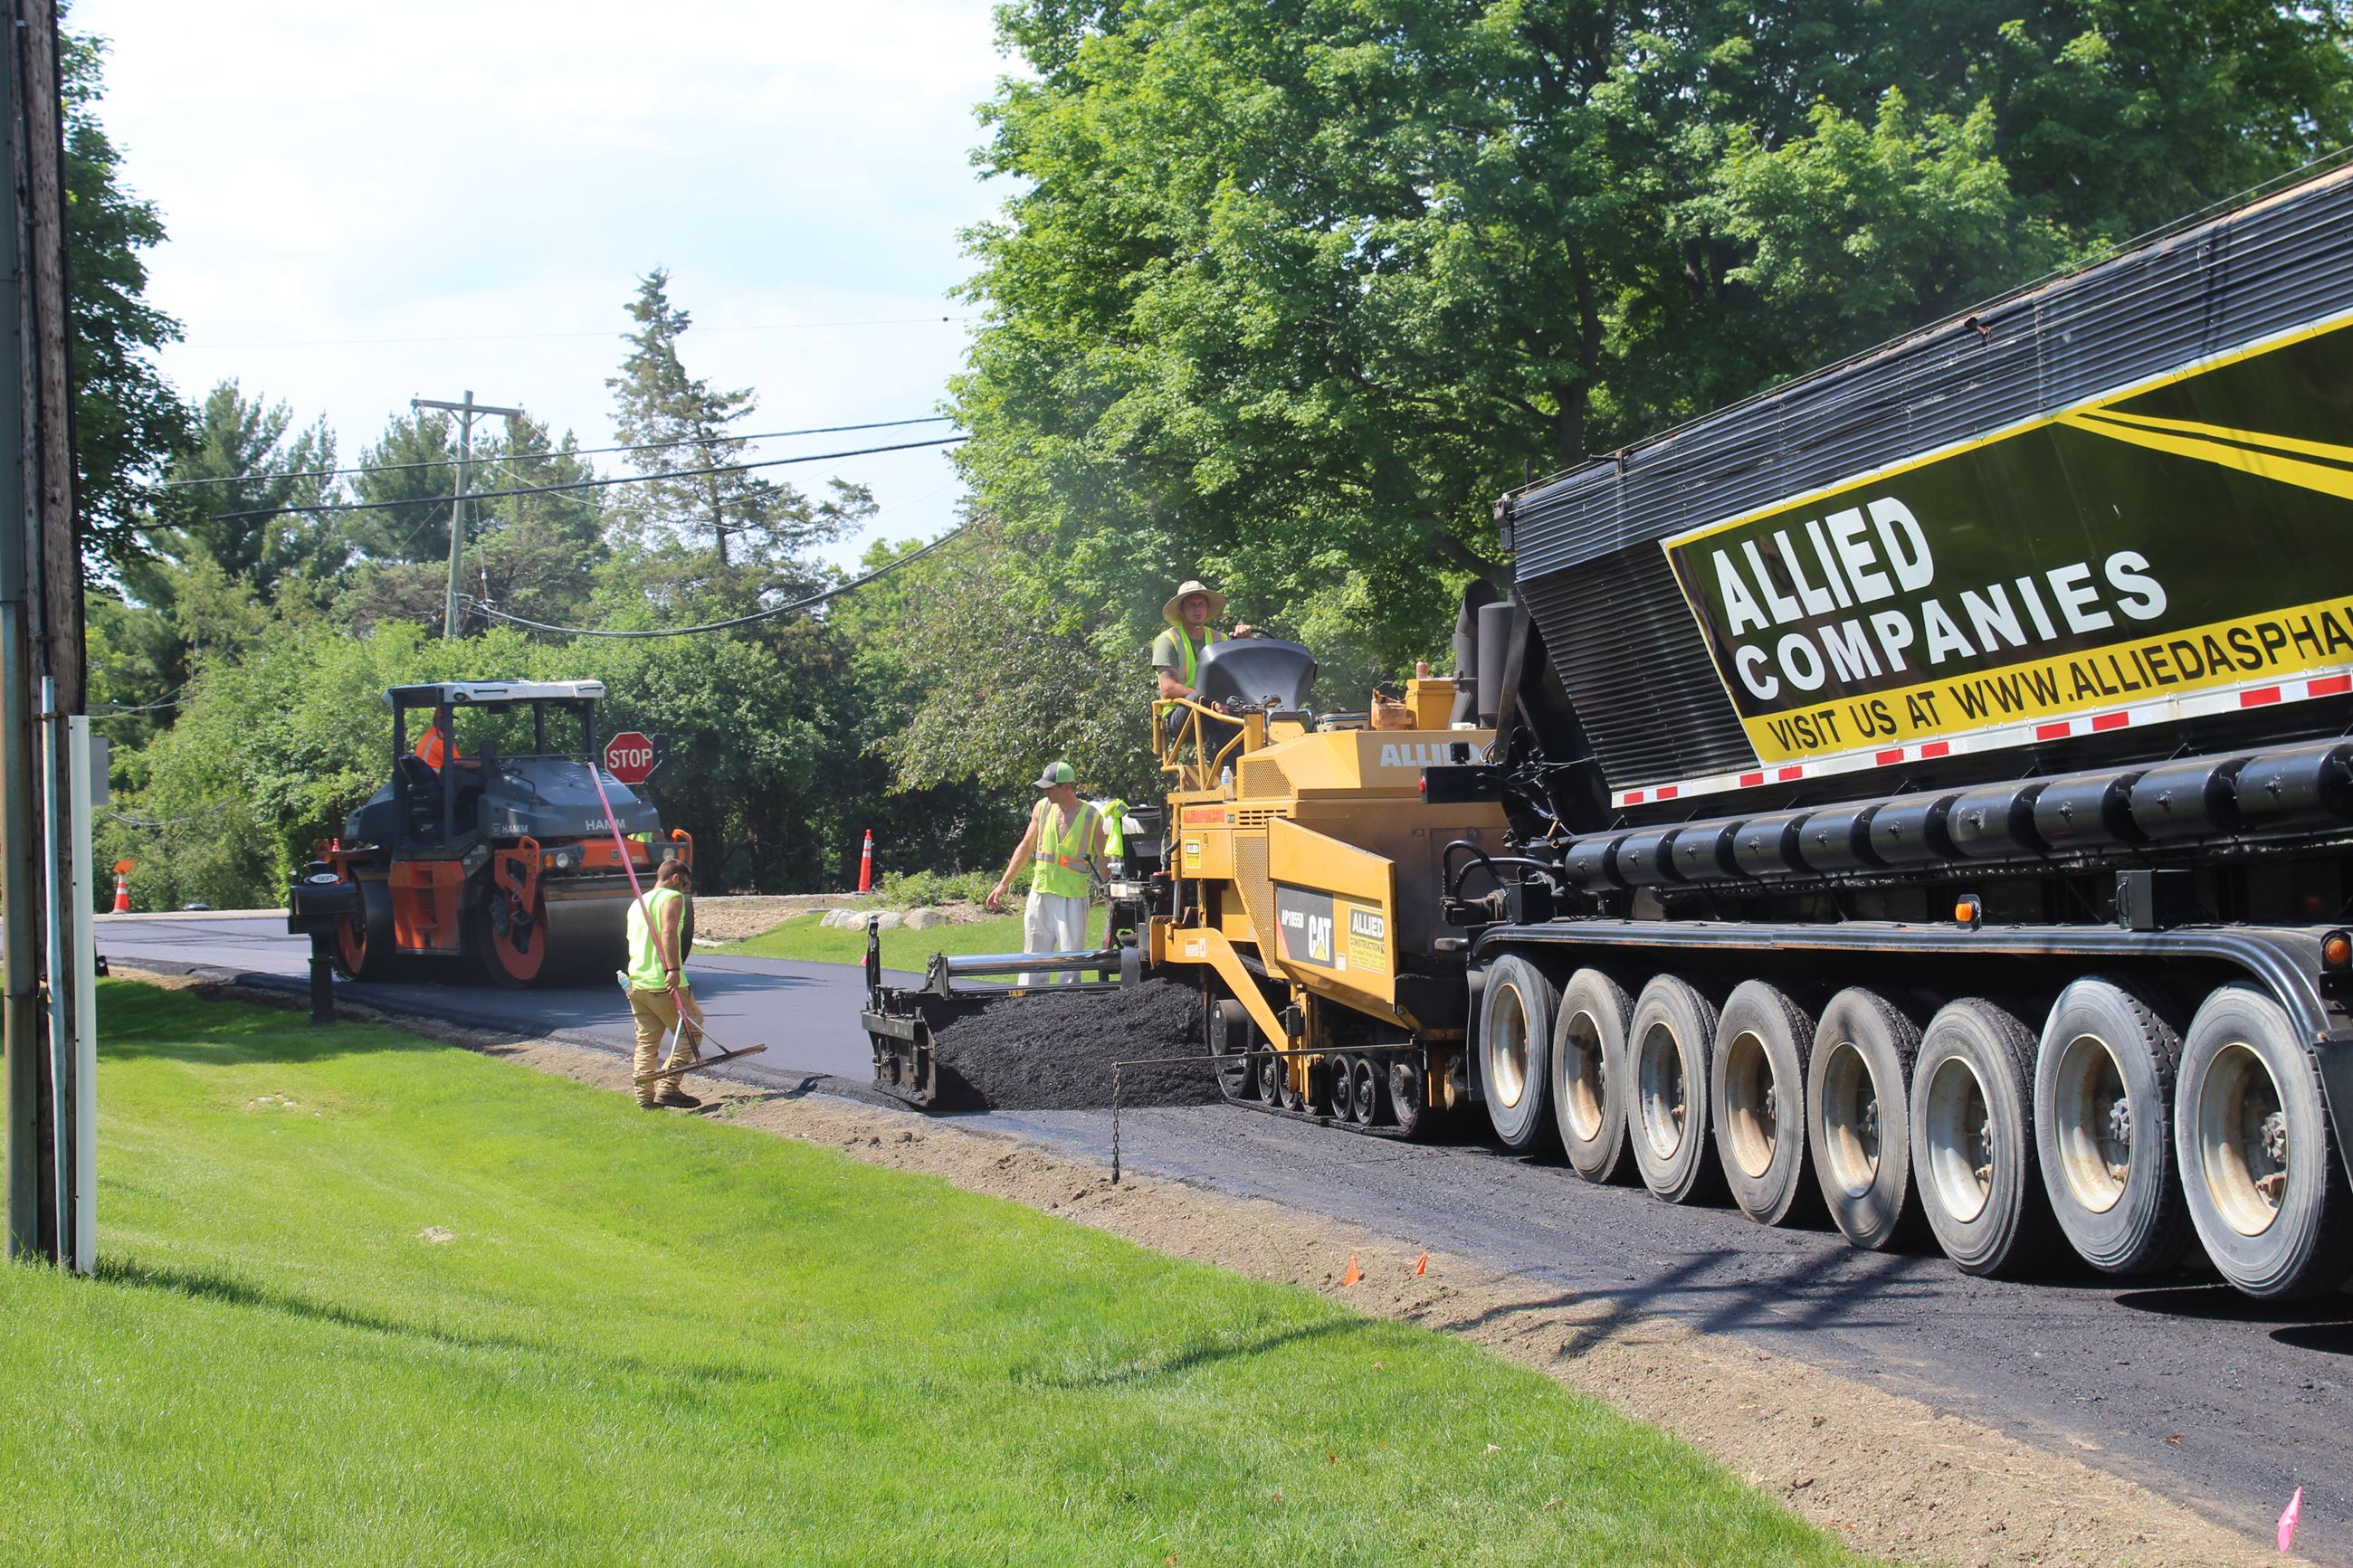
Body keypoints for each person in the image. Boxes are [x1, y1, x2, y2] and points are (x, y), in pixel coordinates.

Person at [986, 760, 1109, 986]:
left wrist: (1110, 892)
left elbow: (1103, 859)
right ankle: (1026, 1003)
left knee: (1070, 962)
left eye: (1050, 787)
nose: (1045, 792)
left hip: (1071, 897)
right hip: (1040, 892)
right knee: (1033, 956)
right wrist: (1003, 884)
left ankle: (1067, 1008)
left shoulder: (1092, 817)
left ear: (1067, 787)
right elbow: (1025, 846)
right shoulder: (1042, 808)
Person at [625, 857, 704, 1109]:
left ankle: (644, 1097)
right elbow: (668, 932)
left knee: (647, 1041)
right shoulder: (672, 898)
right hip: (663, 981)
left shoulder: (638, 903)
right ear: (674, 878)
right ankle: (668, 1087)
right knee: (691, 1030)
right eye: (684, 884)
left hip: (637, 981)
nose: (684, 890)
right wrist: (673, 970)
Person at [1151, 578, 1258, 705]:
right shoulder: (1168, 640)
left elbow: (1243, 674)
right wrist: (1209, 700)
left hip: (1216, 706)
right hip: (1180, 709)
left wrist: (1244, 641)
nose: (1197, 608)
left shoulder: (1221, 639)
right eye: (1192, 604)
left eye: (1201, 603)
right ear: (1182, 609)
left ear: (1207, 607)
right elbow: (1168, 689)